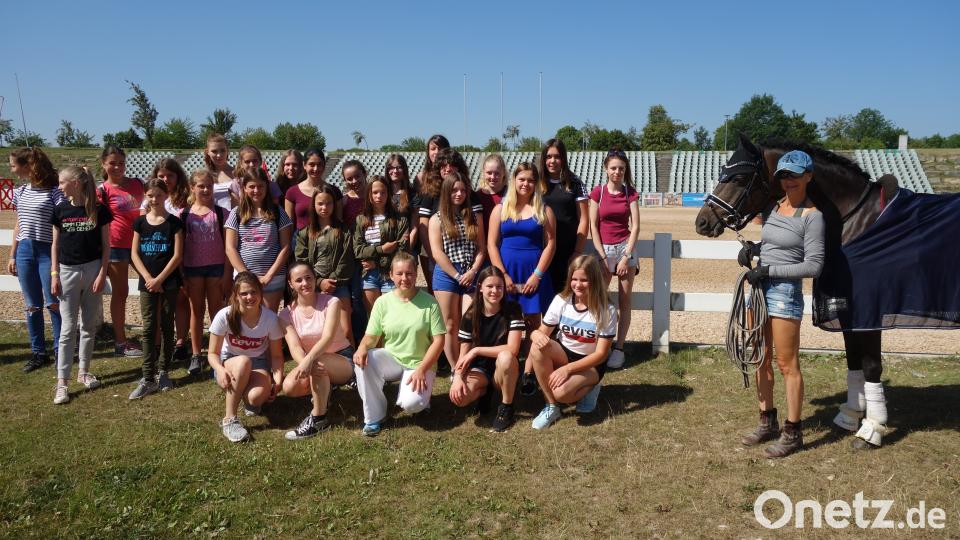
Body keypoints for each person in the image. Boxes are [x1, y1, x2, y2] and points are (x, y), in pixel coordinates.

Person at [737, 150, 824, 458]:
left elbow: (813, 266)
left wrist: (769, 270)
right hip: (760, 290)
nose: (789, 181)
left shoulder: (812, 216)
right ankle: (767, 420)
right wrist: (754, 249)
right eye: (784, 175)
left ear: (808, 176)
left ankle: (792, 432)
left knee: (787, 364)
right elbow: (775, 244)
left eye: (795, 175)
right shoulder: (774, 207)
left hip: (784, 294)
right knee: (760, 357)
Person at [353, 252, 446, 437]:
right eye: (399, 273)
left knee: (412, 405)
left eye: (409, 273)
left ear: (416, 273)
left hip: (420, 363)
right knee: (364, 360)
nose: (405, 278)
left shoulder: (430, 303)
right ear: (391, 275)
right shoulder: (382, 302)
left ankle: (422, 399)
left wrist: (422, 369)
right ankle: (374, 417)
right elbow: (371, 336)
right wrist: (362, 347)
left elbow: (439, 341)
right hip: (393, 359)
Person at [487, 162, 556, 395]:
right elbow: (491, 244)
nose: (525, 184)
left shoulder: (544, 210)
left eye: (530, 180)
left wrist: (537, 275)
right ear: (514, 181)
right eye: (521, 179)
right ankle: (507, 368)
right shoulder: (500, 209)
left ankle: (528, 373)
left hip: (533, 273)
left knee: (533, 324)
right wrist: (503, 276)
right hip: (506, 272)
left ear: (536, 183)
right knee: (506, 322)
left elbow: (551, 244)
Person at [528, 255, 618, 430]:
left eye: (584, 280)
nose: (578, 285)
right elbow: (540, 332)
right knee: (537, 347)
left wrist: (567, 369)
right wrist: (535, 335)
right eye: (574, 279)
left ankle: (591, 387)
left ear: (595, 280)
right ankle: (551, 407)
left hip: (591, 363)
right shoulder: (561, 300)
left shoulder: (607, 310)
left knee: (562, 393)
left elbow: (601, 354)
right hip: (564, 354)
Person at [50, 166, 112, 404]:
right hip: (67, 271)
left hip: (93, 269)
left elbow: (106, 246)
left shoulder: (99, 210)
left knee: (88, 326)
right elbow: (55, 245)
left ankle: (84, 372)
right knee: (67, 329)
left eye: (62, 182)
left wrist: (102, 273)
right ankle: (62, 382)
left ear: (75, 183)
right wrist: (54, 274)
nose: (59, 186)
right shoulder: (60, 210)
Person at [279, 262, 355, 440]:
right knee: (289, 387)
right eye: (299, 280)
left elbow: (327, 337)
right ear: (290, 284)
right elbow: (294, 346)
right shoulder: (285, 315)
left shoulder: (331, 302)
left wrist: (308, 361)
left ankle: (318, 418)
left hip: (341, 359)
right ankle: (327, 388)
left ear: (315, 279)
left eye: (308, 278)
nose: (305, 283)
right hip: (313, 361)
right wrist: (304, 362)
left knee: (317, 364)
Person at [207, 272, 285, 443]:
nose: (250, 297)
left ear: (260, 293)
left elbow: (277, 356)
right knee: (243, 362)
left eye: (253, 292)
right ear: (236, 295)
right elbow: (212, 353)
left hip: (258, 363)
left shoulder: (270, 318)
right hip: (229, 362)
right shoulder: (225, 315)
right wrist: (220, 370)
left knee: (256, 398)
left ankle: (242, 393)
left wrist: (277, 380)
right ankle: (229, 420)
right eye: (244, 293)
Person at [7, 147, 64, 372]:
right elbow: (18, 224)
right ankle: (38, 352)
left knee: (53, 302)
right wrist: (13, 254)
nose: (12, 169)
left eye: (14, 165)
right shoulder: (20, 192)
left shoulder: (54, 193)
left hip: (47, 251)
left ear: (28, 165)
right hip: (25, 251)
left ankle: (60, 351)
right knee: (32, 305)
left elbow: (60, 225)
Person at [451, 266, 524, 432]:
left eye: (499, 287)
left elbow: (513, 349)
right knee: (460, 398)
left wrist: (476, 350)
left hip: (504, 368)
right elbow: (463, 353)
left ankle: (506, 406)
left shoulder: (513, 310)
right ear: (480, 287)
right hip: (481, 369)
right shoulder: (470, 315)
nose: (495, 291)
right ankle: (485, 392)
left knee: (506, 356)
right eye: (490, 286)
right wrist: (458, 377)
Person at [129, 179, 184, 399]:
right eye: (150, 195)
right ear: (146, 196)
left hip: (168, 282)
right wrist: (148, 278)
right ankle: (147, 376)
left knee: (167, 325)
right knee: (149, 327)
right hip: (147, 283)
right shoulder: (140, 222)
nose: (154, 199)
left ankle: (164, 371)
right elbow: (134, 253)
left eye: (159, 195)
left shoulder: (174, 223)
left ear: (166, 195)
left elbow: (177, 255)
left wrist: (160, 279)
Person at [428, 172, 486, 371]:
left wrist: (473, 271)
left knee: (470, 322)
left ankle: (466, 362)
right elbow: (437, 252)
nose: (459, 194)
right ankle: (455, 368)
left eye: (462, 190)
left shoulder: (474, 216)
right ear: (447, 191)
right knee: (450, 324)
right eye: (454, 190)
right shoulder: (436, 219)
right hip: (447, 274)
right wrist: (456, 275)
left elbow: (481, 248)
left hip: (471, 273)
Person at [588, 148, 640, 370]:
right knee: (599, 300)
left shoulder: (630, 193)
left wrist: (626, 257)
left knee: (624, 302)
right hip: (604, 251)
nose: (617, 172)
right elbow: (593, 226)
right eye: (613, 168)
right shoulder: (598, 192)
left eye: (621, 168)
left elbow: (635, 226)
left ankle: (619, 348)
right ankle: (601, 345)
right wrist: (602, 257)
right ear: (606, 169)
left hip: (625, 250)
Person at [97, 145, 145, 357]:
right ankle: (120, 342)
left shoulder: (137, 184)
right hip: (116, 244)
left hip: (141, 242)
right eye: (112, 163)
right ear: (103, 164)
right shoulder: (102, 190)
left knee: (154, 286)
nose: (117, 167)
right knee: (121, 292)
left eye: (121, 163)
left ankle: (156, 336)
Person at [225, 168, 293, 312]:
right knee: (246, 319)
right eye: (252, 186)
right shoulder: (236, 213)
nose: (256, 190)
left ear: (267, 187)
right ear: (244, 188)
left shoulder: (277, 212)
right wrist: (247, 276)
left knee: (268, 318)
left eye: (260, 186)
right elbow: (230, 248)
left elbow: (286, 247)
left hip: (272, 278)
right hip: (244, 278)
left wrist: (268, 276)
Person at [145, 158, 192, 364]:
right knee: (157, 305)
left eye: (170, 175)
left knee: (181, 299)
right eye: (161, 175)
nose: (165, 179)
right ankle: (157, 344)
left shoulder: (186, 199)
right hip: (156, 256)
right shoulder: (149, 199)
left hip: (181, 254)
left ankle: (181, 342)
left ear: (177, 176)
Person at [181, 170, 228, 375]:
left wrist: (227, 273)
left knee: (217, 312)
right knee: (196, 311)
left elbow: (228, 246)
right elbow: (180, 247)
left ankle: (216, 353)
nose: (206, 189)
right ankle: (196, 354)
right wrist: (182, 273)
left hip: (217, 267)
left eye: (209, 185)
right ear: (192, 188)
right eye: (201, 186)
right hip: (193, 268)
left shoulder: (222, 213)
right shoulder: (184, 214)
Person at [296, 186, 356, 345]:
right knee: (319, 332)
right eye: (320, 203)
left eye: (328, 203)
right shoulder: (304, 233)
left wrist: (331, 282)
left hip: (339, 285)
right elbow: (302, 261)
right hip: (313, 287)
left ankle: (351, 360)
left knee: (346, 331)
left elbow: (347, 259)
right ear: (313, 205)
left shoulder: (343, 230)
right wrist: (319, 281)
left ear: (334, 205)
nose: (324, 207)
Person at [539, 139, 589, 291]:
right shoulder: (536, 183)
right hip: (540, 251)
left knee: (565, 297)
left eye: (557, 156)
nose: (552, 161)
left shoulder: (575, 183)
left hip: (567, 252)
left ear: (564, 158)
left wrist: (577, 251)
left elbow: (584, 219)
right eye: (548, 157)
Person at [354, 176, 408, 314]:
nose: (379, 196)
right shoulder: (361, 220)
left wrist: (377, 263)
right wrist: (381, 249)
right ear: (369, 194)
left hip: (390, 274)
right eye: (375, 192)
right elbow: (358, 250)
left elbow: (401, 251)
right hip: (369, 275)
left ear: (388, 194)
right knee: (374, 318)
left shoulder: (399, 219)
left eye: (383, 192)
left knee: (392, 316)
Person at [202, 133, 238, 299]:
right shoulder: (205, 175)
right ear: (207, 152)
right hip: (212, 227)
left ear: (228, 151)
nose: (219, 155)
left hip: (233, 225)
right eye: (214, 151)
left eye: (222, 150)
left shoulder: (237, 173)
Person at [284, 148, 343, 237]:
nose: (316, 169)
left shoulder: (335, 191)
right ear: (304, 165)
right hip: (301, 242)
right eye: (311, 164)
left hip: (328, 240)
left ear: (324, 166)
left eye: (319, 164)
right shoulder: (292, 192)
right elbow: (289, 226)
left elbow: (338, 222)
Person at [475, 154, 508, 232]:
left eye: (497, 173)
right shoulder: (476, 197)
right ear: (483, 172)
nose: (493, 177)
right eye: (489, 173)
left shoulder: (511, 195)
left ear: (503, 173)